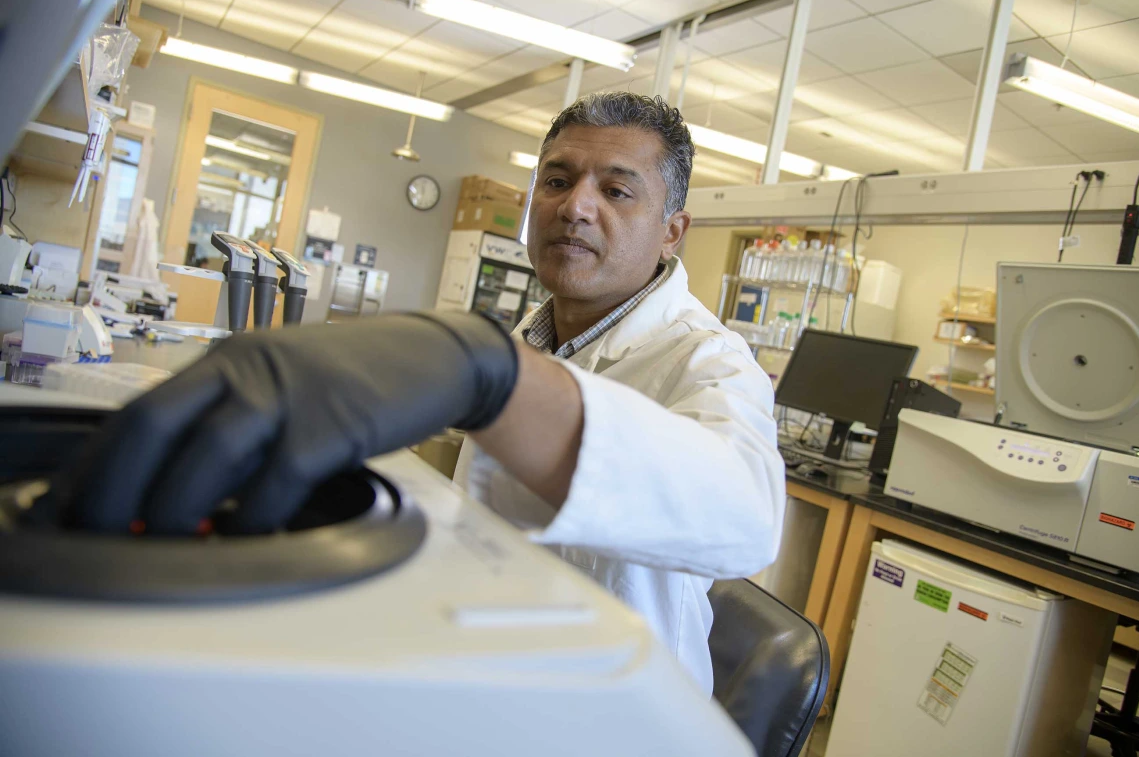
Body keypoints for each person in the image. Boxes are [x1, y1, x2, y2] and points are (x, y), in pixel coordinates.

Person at [53, 92, 784, 696]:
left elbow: (746, 514)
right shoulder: (533, 332)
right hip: (484, 670)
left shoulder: (710, 361)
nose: (575, 207)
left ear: (672, 232)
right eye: (557, 181)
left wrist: (485, 373)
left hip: (612, 710)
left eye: (616, 189)